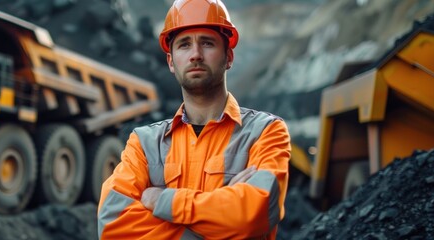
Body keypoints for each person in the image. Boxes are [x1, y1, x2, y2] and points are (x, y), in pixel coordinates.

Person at [97, 0, 291, 239]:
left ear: (228, 57)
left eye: (207, 43)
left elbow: (257, 214)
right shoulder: (144, 144)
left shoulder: (266, 132)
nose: (196, 55)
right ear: (170, 62)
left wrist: (162, 201)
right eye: (184, 45)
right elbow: (112, 225)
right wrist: (223, 215)